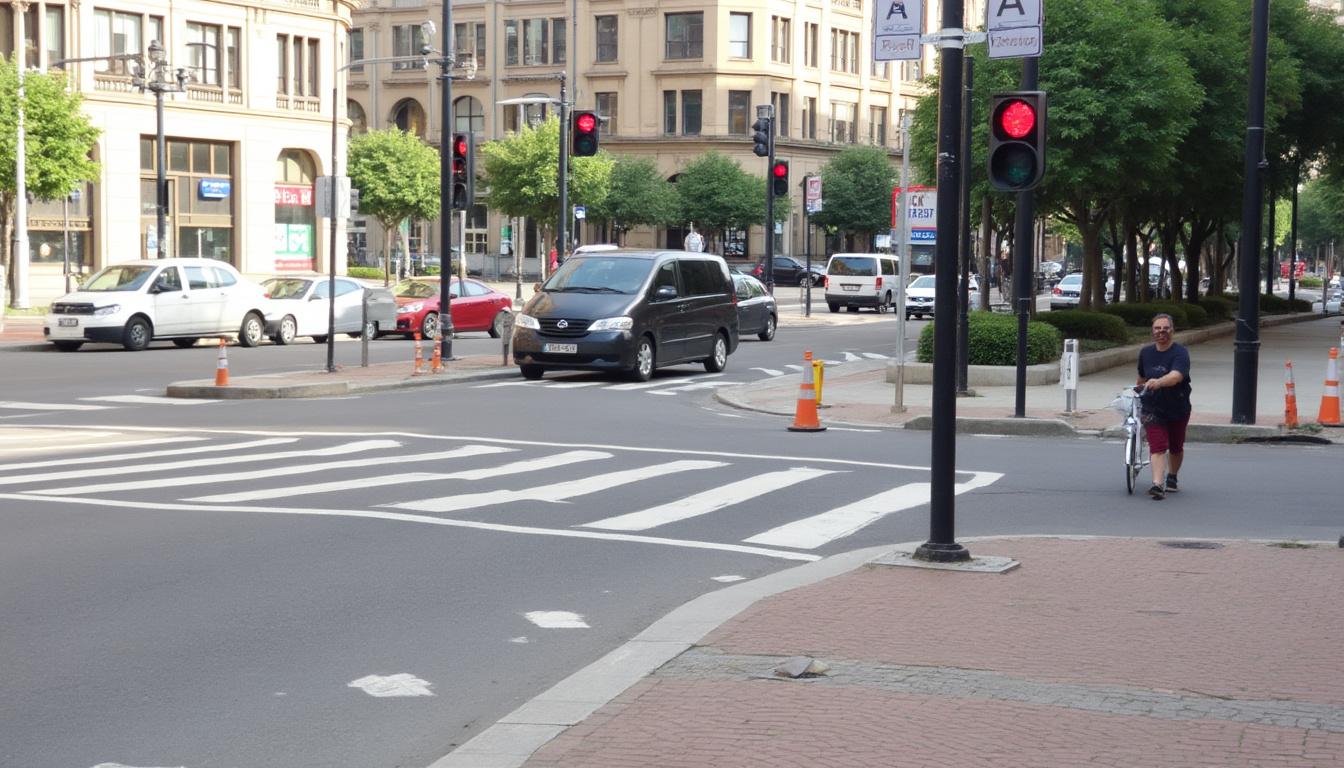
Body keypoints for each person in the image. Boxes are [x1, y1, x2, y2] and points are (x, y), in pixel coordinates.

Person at [1136, 313, 1192, 500]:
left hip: (1177, 406)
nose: (1161, 332)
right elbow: (1141, 377)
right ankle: (1157, 485)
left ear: (1172, 330)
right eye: (1157, 329)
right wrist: (1137, 391)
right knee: (1158, 446)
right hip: (1153, 407)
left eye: (1165, 328)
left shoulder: (1180, 353)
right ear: (1152, 331)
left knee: (1175, 446)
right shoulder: (1146, 352)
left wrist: (1159, 382)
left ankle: (1172, 477)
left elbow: (1176, 376)